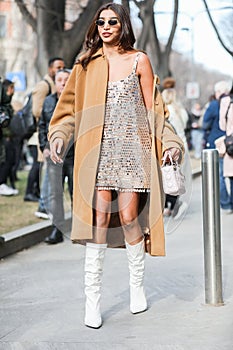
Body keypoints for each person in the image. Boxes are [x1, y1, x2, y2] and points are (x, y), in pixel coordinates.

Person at [48, 3, 184, 329]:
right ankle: (92, 299)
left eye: (112, 21)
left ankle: (136, 285)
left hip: (133, 150)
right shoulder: (85, 64)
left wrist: (171, 144)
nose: (106, 26)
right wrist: (58, 135)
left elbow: (155, 112)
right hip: (98, 152)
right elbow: (67, 111)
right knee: (98, 219)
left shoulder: (140, 60)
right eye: (101, 22)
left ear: (123, 24)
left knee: (127, 218)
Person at [37, 68, 74, 243]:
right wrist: (44, 147)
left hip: (75, 156)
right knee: (55, 194)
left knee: (77, 193)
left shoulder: (78, 101)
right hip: (54, 157)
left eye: (67, 79)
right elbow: (42, 125)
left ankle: (79, 229)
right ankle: (57, 230)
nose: (63, 83)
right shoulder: (48, 102)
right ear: (55, 82)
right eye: (60, 80)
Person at [24, 57, 65, 203]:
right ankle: (37, 199)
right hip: (40, 134)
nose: (60, 69)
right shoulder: (44, 86)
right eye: (58, 67)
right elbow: (36, 111)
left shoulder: (56, 85)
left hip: (51, 134)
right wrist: (55, 114)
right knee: (42, 168)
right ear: (50, 69)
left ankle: (39, 198)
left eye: (62, 67)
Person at [161, 77, 190, 218]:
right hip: (182, 144)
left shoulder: (167, 111)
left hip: (170, 146)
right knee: (177, 176)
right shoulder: (181, 110)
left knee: (168, 175)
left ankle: (168, 206)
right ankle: (173, 205)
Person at [203, 80, 232, 213]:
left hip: (216, 143)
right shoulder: (231, 103)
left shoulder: (214, 105)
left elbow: (205, 123)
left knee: (218, 175)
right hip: (230, 143)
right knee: (230, 174)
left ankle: (226, 204)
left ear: (219, 92)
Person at [0, 79, 18, 196]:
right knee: (6, 160)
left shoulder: (6, 104)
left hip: (7, 136)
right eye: (12, 88)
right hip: (5, 137)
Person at [219, 83, 233, 214]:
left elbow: (222, 126)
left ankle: (229, 205)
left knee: (231, 176)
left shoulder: (226, 101)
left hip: (231, 144)